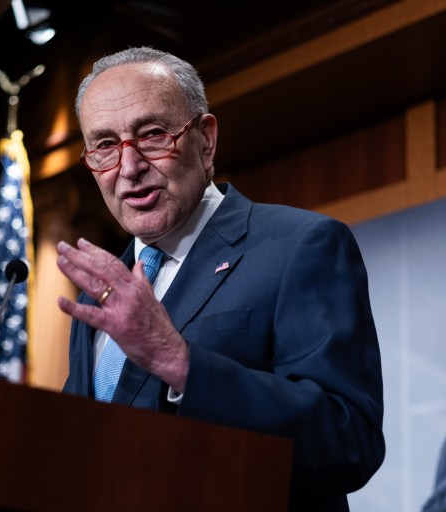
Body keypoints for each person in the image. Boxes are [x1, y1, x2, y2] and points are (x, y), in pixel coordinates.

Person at [56, 46, 385, 510]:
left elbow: (349, 441)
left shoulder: (301, 246)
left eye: (152, 135)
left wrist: (181, 363)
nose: (128, 169)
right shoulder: (102, 291)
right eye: (106, 145)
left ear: (206, 141)